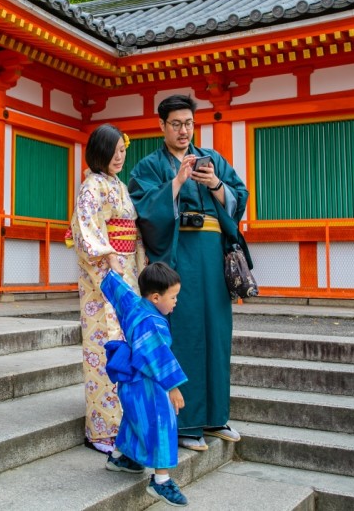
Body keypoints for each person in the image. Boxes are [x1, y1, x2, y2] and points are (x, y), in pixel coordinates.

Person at [128, 94, 250, 452]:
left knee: (217, 330)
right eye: (176, 124)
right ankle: (185, 422)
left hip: (211, 254)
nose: (184, 131)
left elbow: (239, 198)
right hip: (177, 255)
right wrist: (177, 183)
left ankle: (215, 417)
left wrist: (214, 184)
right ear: (162, 126)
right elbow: (144, 209)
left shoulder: (212, 160)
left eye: (189, 124)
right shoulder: (149, 166)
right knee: (184, 331)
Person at [69, 123, 146, 453]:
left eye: (123, 151)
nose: (120, 156)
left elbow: (131, 228)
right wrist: (107, 254)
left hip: (125, 272)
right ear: (99, 151)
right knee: (103, 349)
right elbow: (85, 231)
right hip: (103, 279)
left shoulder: (117, 185)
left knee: (124, 345)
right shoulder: (91, 186)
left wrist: (135, 264)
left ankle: (122, 421)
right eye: (114, 151)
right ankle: (100, 429)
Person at [101, 263, 189, 507]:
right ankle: (161, 481)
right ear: (156, 296)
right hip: (146, 382)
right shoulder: (153, 322)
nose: (175, 302)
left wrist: (112, 272)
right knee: (162, 424)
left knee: (134, 418)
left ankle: (120, 459)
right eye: (173, 297)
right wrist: (173, 386)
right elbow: (157, 355)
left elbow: (121, 293)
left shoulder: (135, 306)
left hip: (129, 381)